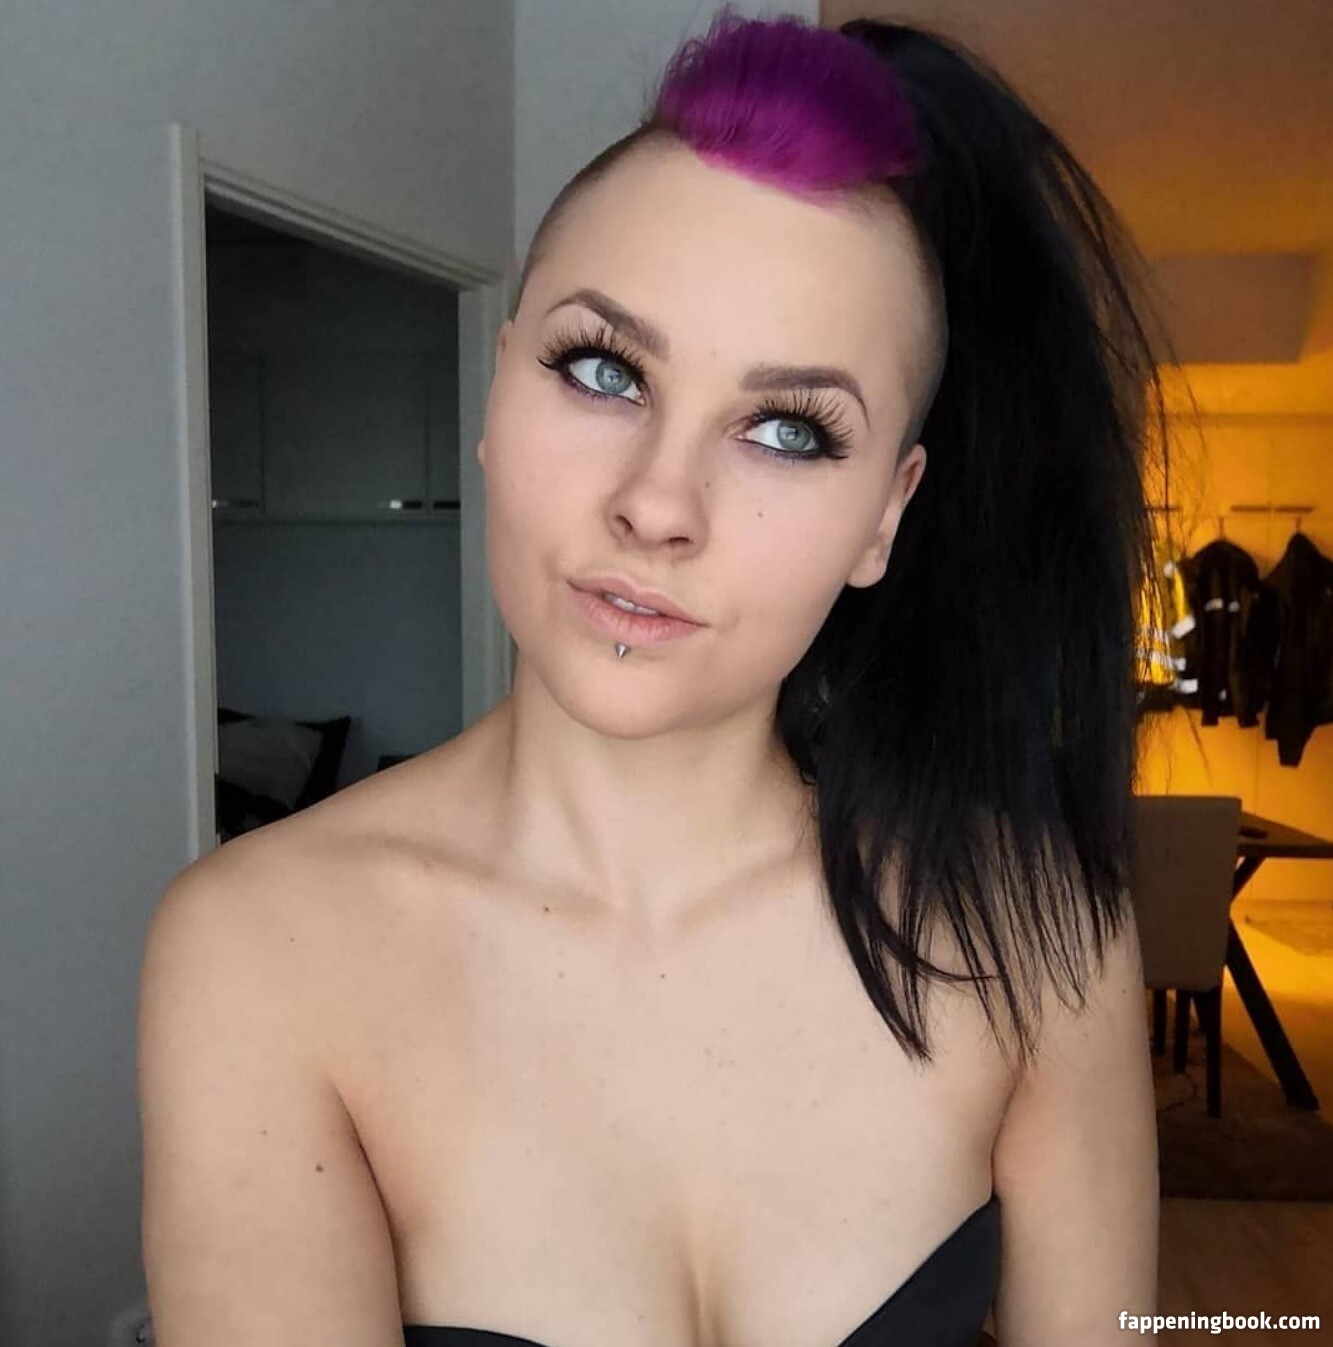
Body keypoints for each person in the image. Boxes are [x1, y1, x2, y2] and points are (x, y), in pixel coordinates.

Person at [138, 8, 1168, 1346]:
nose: (658, 504)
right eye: (603, 370)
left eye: (786, 430)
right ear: (496, 393)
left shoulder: (1036, 934)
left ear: (885, 515)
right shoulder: (262, 951)